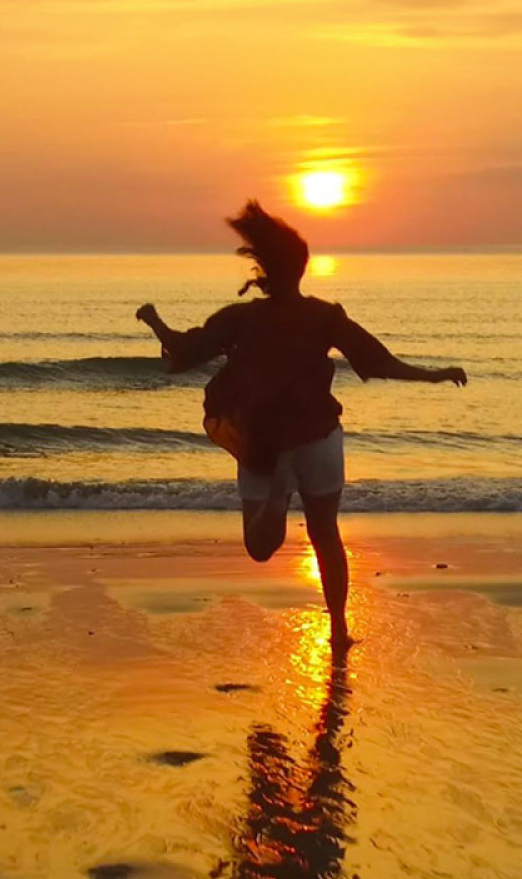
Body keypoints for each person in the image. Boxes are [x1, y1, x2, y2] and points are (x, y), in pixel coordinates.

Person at [135, 201, 465, 648]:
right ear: (302, 270)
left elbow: (184, 351)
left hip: (263, 440)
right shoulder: (324, 316)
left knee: (259, 547)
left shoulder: (240, 319)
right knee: (326, 535)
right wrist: (431, 374)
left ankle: (275, 499)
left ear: (262, 268)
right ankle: (340, 630)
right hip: (319, 438)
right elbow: (374, 360)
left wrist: (155, 322)